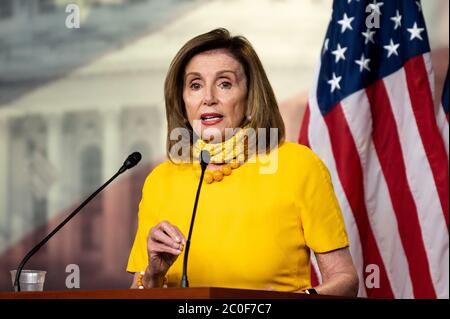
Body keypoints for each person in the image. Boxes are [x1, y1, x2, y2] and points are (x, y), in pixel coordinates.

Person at [126, 28, 359, 296]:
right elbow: (139, 289)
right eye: (195, 85)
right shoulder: (160, 181)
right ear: (182, 101)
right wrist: (153, 276)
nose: (208, 97)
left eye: (224, 83)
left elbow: (346, 279)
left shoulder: (299, 165)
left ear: (250, 101)